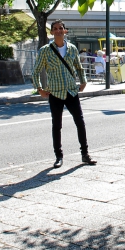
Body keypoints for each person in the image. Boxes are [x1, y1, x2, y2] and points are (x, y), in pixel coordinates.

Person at [32, 19, 96, 168]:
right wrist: (39, 88)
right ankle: (58, 156)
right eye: (55, 28)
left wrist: (83, 81)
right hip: (55, 92)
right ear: (52, 32)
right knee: (57, 125)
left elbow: (79, 68)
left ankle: (85, 154)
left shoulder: (72, 48)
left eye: (61, 28)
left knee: (80, 122)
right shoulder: (45, 50)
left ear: (65, 31)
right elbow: (36, 71)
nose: (58, 30)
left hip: (71, 91)